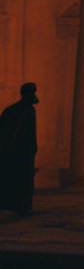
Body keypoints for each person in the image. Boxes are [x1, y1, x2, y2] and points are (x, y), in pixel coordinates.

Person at [0, 82, 38, 215]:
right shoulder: (27, 110)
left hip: (9, 152)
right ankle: (21, 205)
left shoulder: (11, 110)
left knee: (11, 178)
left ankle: (12, 204)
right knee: (23, 179)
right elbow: (29, 134)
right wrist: (32, 149)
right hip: (22, 153)